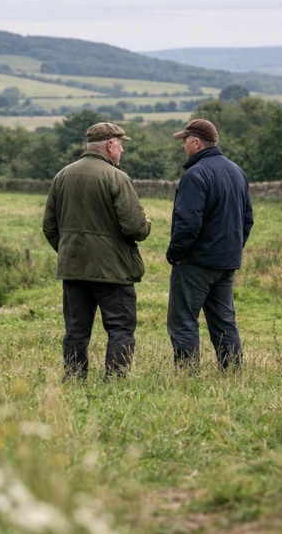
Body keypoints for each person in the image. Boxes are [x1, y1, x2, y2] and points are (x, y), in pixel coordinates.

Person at [42, 122, 152, 380]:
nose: (122, 150)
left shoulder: (62, 176)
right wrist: (146, 225)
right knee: (121, 328)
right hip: (113, 271)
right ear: (110, 145)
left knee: (76, 330)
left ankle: (74, 379)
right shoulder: (117, 177)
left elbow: (49, 226)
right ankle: (115, 381)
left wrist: (69, 251)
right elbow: (135, 227)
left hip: (74, 270)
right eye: (121, 144)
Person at [166, 118, 254, 372]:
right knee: (224, 321)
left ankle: (187, 374)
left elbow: (187, 223)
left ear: (196, 142)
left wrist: (176, 254)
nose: (182, 146)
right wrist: (232, 249)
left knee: (183, 320)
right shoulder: (237, 172)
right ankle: (233, 371)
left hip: (195, 263)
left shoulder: (195, 175)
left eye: (184, 141)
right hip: (226, 263)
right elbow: (247, 219)